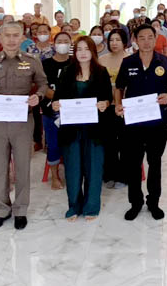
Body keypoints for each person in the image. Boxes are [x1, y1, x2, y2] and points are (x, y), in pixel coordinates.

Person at [0, 22, 48, 231]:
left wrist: (38, 95)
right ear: (0, 38)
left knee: (23, 166)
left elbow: (43, 83)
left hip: (22, 121)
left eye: (16, 35)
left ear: (22, 38)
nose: (12, 40)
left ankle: (21, 210)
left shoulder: (32, 61)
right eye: (7, 35)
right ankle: (1, 210)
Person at [115, 24, 167, 221]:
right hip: (133, 123)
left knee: (155, 163)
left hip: (157, 122)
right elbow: (119, 87)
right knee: (134, 164)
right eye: (141, 38)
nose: (146, 42)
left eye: (150, 37)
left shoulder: (165, 62)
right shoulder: (128, 62)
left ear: (155, 38)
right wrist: (118, 104)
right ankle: (135, 203)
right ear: (135, 40)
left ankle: (154, 202)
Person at [53, 37, 113, 221]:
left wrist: (105, 103)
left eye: (87, 49)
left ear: (93, 51)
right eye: (79, 49)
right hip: (71, 129)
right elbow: (57, 97)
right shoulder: (66, 72)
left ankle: (91, 207)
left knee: (94, 168)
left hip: (95, 129)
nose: (83, 53)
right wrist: (56, 104)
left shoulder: (101, 72)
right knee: (73, 169)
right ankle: (74, 206)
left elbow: (108, 97)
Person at [40, 32, 72, 190]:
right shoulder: (45, 64)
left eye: (66, 41)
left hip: (73, 112)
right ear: (54, 44)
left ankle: (73, 172)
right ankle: (54, 175)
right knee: (53, 145)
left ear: (71, 44)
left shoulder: (75, 62)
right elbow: (42, 86)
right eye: (60, 41)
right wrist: (59, 98)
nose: (63, 44)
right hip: (50, 111)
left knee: (72, 143)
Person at [99, 29, 129, 189]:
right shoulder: (102, 60)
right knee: (108, 142)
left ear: (124, 42)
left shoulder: (131, 59)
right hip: (107, 106)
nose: (114, 43)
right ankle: (109, 174)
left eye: (118, 40)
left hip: (125, 108)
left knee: (124, 142)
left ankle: (123, 176)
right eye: (111, 40)